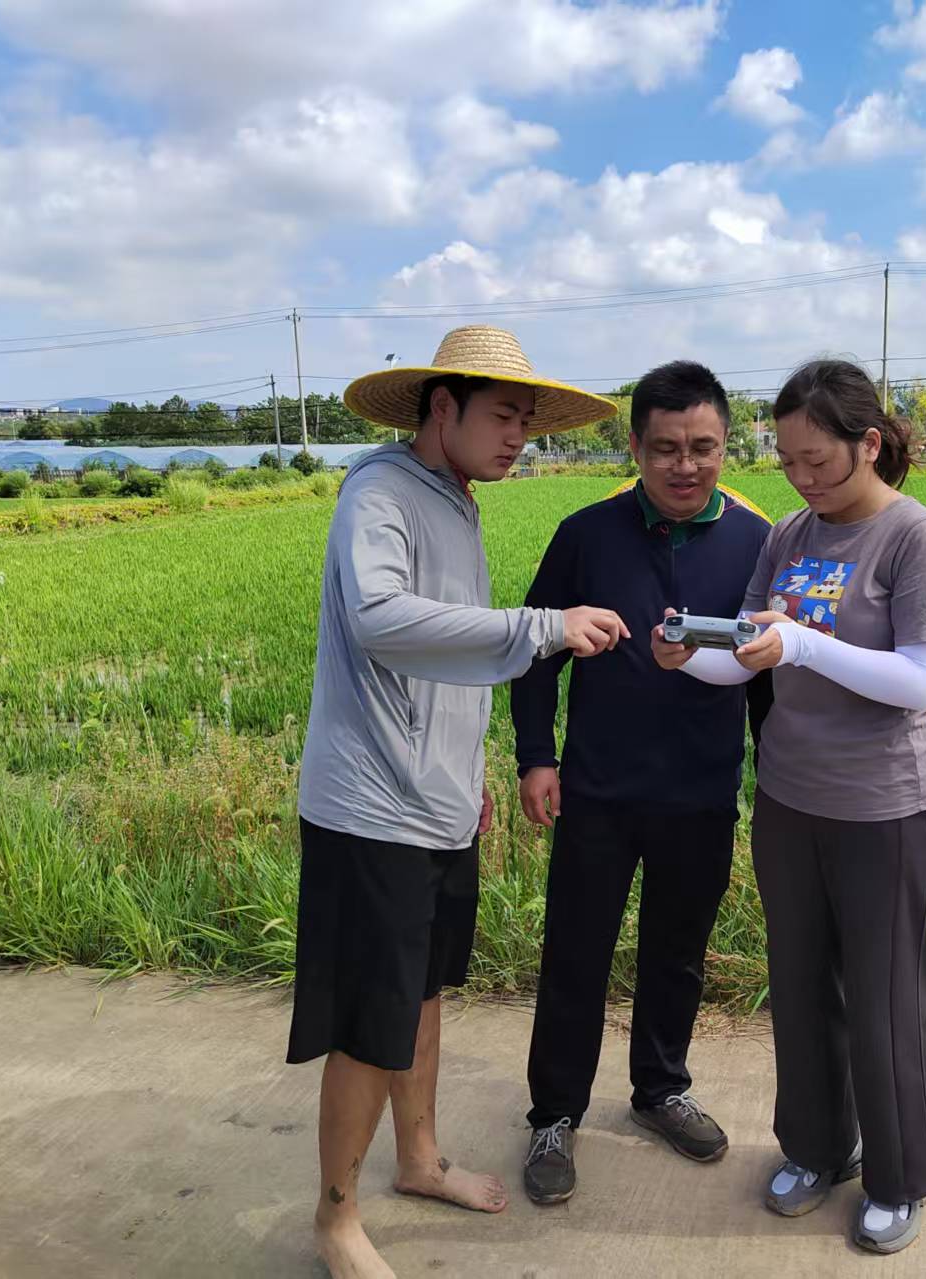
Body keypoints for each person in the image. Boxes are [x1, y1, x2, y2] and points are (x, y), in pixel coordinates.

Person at [290, 325, 630, 1279]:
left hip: (433, 799)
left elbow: (445, 662)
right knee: (370, 1020)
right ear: (442, 408)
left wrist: (467, 764)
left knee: (424, 992)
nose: (520, 433)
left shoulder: (458, 500)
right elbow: (383, 619)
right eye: (504, 414)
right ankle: (336, 1217)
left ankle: (421, 1159)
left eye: (528, 417)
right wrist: (544, 626)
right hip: (370, 809)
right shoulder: (381, 492)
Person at [651, 359, 926, 1256]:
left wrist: (805, 642)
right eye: (788, 461)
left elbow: (918, 683)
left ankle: (901, 1177)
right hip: (790, 799)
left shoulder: (916, 539)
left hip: (885, 808)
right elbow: (753, 653)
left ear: (870, 443)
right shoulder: (788, 536)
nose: (803, 478)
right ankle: (818, 1149)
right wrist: (693, 655)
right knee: (799, 986)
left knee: (886, 997)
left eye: (819, 459)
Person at [509, 361, 774, 1206]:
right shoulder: (586, 534)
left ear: (728, 443)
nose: (686, 466)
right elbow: (532, 649)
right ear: (635, 446)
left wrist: (776, 776)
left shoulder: (759, 542)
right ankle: (554, 1112)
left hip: (701, 791)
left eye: (703, 447)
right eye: (665, 449)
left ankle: (660, 1088)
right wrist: (535, 756)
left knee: (677, 954)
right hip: (598, 787)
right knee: (575, 952)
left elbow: (767, 676)